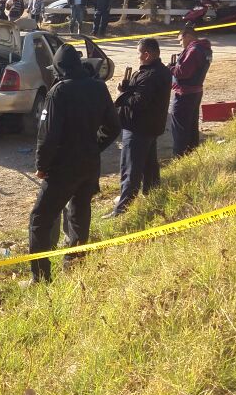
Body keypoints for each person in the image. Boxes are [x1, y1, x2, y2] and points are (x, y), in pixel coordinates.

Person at [28, 44, 120, 283]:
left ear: (59, 68)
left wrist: (41, 165)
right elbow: (113, 127)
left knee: (40, 220)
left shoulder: (59, 92)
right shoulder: (99, 87)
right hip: (89, 164)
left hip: (63, 167)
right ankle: (75, 265)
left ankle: (40, 278)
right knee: (79, 214)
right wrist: (94, 146)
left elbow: (47, 135)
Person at [108, 38, 171, 217]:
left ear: (147, 54)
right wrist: (129, 87)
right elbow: (142, 94)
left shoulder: (151, 75)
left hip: (138, 127)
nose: (137, 57)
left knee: (130, 170)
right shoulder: (159, 71)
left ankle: (122, 210)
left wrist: (121, 94)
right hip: (150, 127)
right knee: (150, 167)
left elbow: (139, 102)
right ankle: (153, 197)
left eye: (138, 53)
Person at [169, 25, 213, 157]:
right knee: (191, 125)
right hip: (195, 91)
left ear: (187, 36)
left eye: (180, 40)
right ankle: (192, 154)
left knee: (180, 128)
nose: (180, 43)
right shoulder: (204, 49)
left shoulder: (193, 50)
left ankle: (180, 156)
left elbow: (183, 72)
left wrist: (170, 68)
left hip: (184, 93)